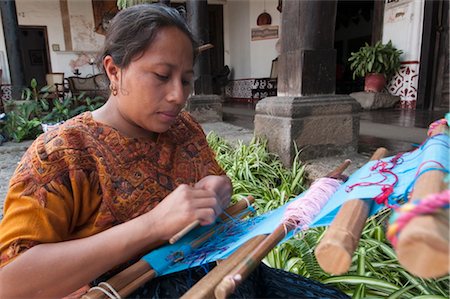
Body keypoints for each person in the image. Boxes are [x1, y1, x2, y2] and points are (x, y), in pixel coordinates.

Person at [0, 4, 348, 298]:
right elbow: (11, 281)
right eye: (162, 76)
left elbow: (215, 184)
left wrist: (219, 191)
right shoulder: (63, 154)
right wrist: (152, 225)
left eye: (185, 79)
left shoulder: (183, 129)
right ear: (113, 71)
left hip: (225, 276)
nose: (178, 96)